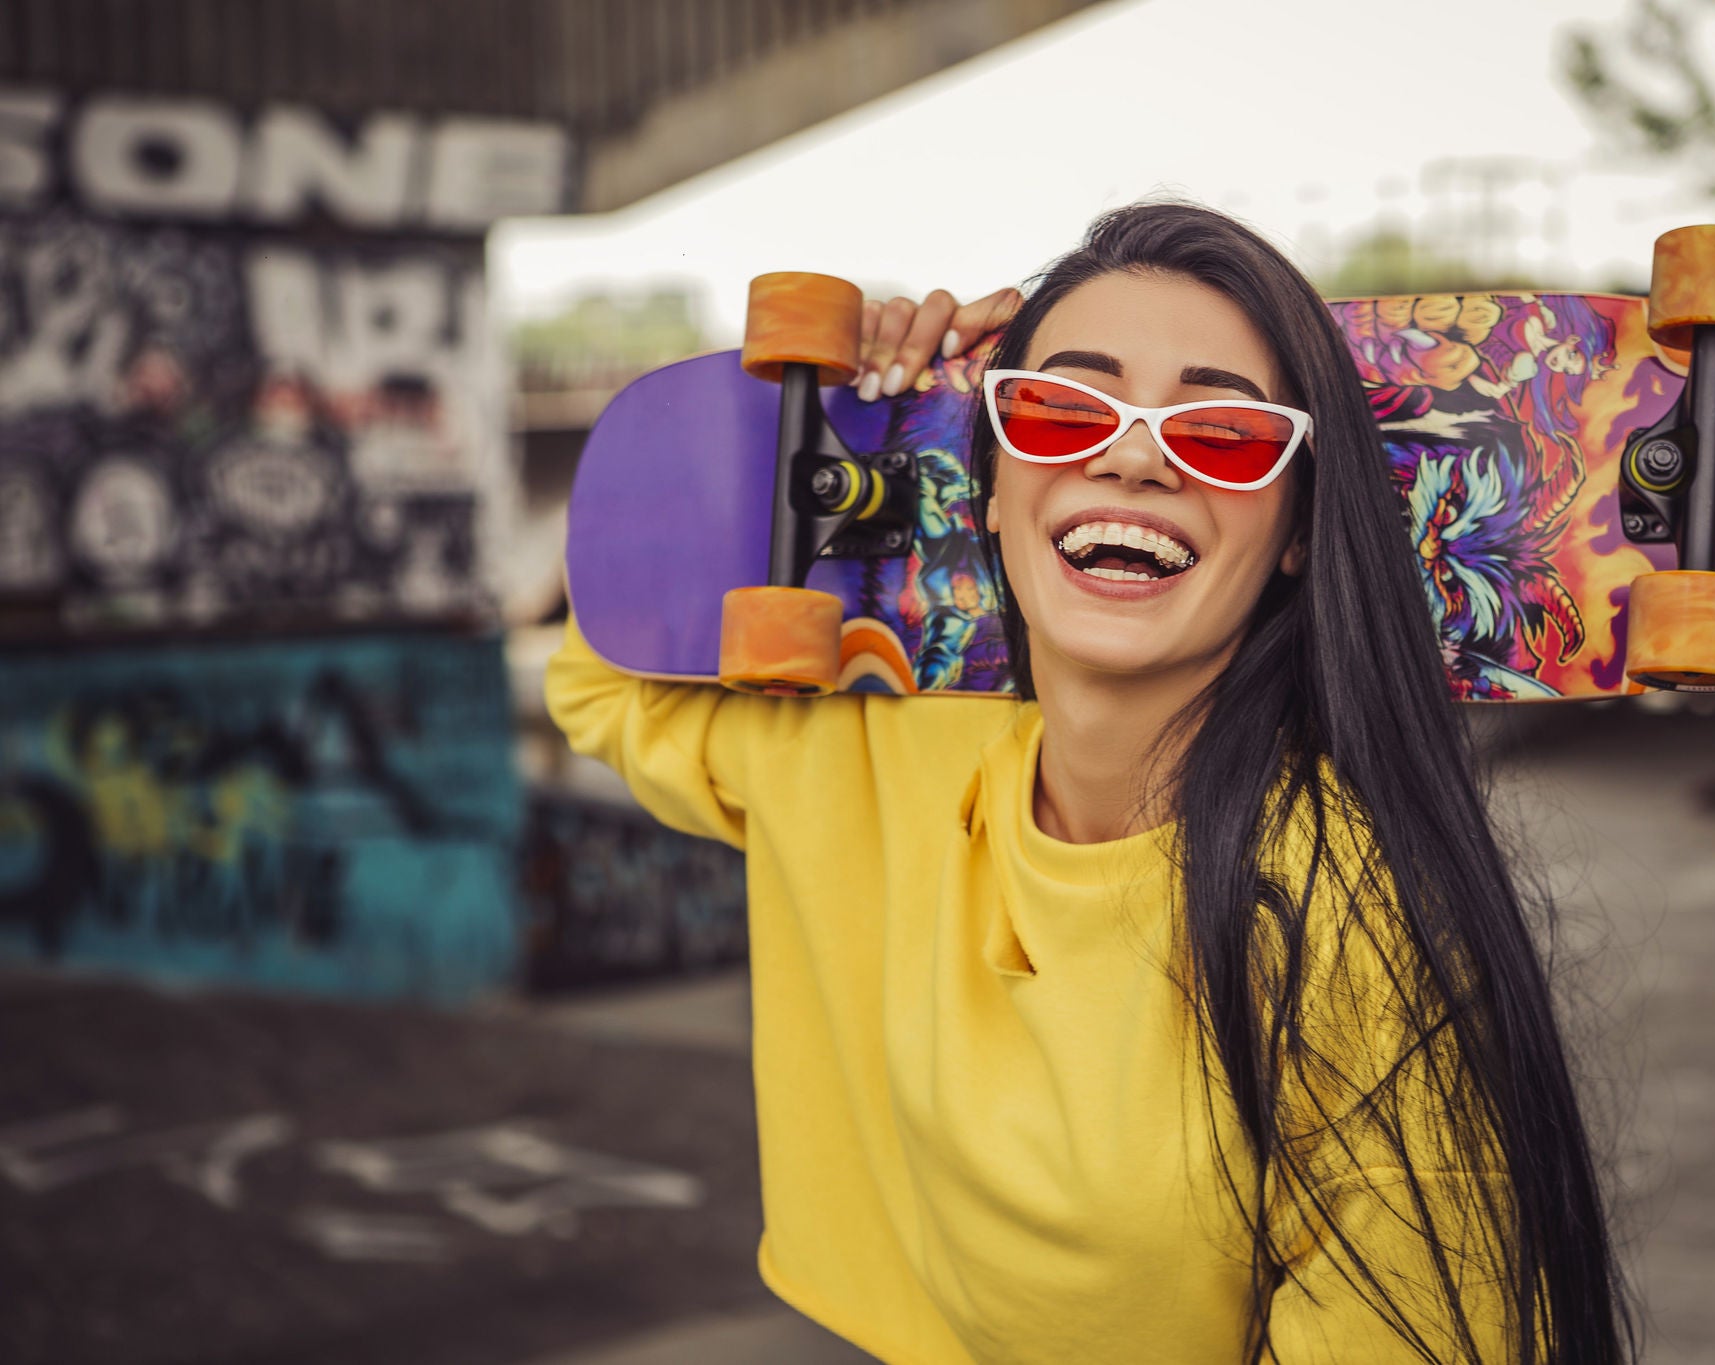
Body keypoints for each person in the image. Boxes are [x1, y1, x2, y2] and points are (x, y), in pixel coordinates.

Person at [546, 201, 1639, 1363]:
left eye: (1220, 432)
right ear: (990, 489)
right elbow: (602, 686)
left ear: (1296, 533)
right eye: (1063, 412)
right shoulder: (876, 744)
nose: (1130, 456)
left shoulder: (1351, 918)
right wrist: (836, 432)